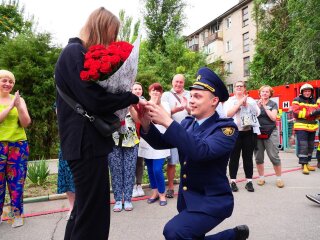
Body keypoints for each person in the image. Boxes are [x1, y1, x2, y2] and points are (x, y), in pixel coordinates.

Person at [54, 7, 144, 240]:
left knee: (84, 211)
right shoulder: (74, 53)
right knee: (93, 215)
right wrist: (129, 97)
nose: (110, 42)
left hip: (84, 144)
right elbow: (92, 99)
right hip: (85, 145)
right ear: (101, 29)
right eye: (111, 35)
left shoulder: (73, 53)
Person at [137, 67, 249, 240]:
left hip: (212, 201)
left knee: (174, 232)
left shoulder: (226, 128)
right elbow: (162, 143)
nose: (191, 101)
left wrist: (167, 121)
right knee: (190, 236)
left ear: (214, 101)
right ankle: (233, 236)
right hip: (188, 199)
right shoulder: (189, 123)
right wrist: (145, 124)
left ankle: (230, 236)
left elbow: (201, 151)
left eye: (198, 96)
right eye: (191, 96)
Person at [0, 69, 31, 227]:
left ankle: (17, 215)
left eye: (10, 81)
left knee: (17, 182)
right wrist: (11, 105)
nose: (7, 84)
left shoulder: (20, 100)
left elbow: (26, 123)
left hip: (18, 145)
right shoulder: (11, 101)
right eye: (4, 80)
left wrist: (18, 106)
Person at [224, 81, 260, 192]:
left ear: (245, 88)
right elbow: (228, 114)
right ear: (234, 89)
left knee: (248, 157)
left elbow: (257, 113)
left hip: (248, 131)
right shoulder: (230, 101)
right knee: (234, 157)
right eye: (237, 86)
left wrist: (247, 105)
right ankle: (233, 181)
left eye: (241, 86)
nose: (239, 87)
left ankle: (249, 181)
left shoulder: (250, 100)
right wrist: (239, 104)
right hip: (234, 132)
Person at [138, 83, 170, 206]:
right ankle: (154, 192)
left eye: (158, 90)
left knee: (157, 169)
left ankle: (162, 193)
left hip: (160, 141)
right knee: (150, 169)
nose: (155, 92)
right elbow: (140, 119)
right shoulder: (144, 104)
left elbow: (166, 118)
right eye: (153, 90)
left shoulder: (165, 105)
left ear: (161, 93)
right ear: (149, 92)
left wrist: (157, 103)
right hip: (147, 140)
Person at [161, 74, 190, 198]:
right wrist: (177, 109)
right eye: (176, 82)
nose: (178, 84)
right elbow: (164, 113)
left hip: (188, 131)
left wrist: (187, 107)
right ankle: (171, 187)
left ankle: (189, 185)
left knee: (188, 160)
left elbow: (194, 110)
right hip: (172, 132)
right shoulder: (166, 95)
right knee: (172, 162)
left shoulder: (189, 94)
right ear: (172, 82)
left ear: (184, 83)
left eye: (181, 82)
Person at [108, 110, 139, 212]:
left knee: (129, 170)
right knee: (115, 170)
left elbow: (138, 120)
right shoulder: (110, 99)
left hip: (130, 139)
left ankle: (127, 199)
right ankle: (117, 199)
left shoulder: (130, 100)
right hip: (113, 138)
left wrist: (131, 107)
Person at [254, 85, 284, 188]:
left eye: (267, 92)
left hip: (271, 132)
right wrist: (257, 107)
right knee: (258, 157)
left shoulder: (273, 104)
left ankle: (279, 178)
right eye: (263, 92)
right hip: (257, 133)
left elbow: (273, 118)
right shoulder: (255, 103)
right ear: (260, 93)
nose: (265, 93)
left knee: (274, 156)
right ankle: (261, 178)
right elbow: (251, 116)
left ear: (270, 94)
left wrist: (265, 107)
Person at [291, 83, 320, 175]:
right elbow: (295, 112)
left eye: (309, 91)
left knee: (311, 146)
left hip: (312, 127)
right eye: (305, 91)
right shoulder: (297, 100)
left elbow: (317, 114)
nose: (307, 93)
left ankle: (307, 163)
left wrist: (316, 113)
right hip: (301, 126)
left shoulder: (314, 101)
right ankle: (303, 165)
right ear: (302, 92)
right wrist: (310, 114)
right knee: (303, 146)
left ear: (311, 92)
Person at [131, 82, 145, 198]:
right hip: (130, 137)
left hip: (142, 136)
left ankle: (139, 184)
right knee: (131, 162)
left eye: (139, 89)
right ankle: (131, 186)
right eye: (135, 89)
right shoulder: (127, 103)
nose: (137, 91)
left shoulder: (145, 103)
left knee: (140, 162)